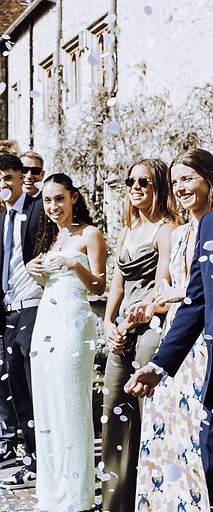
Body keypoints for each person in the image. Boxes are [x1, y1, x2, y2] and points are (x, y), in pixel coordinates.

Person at [127, 149, 213, 510]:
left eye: (188, 178)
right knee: (177, 438)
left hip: (199, 349)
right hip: (178, 342)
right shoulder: (185, 232)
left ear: (209, 180)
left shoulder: (209, 224)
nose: (180, 187)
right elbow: (191, 296)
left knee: (199, 438)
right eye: (175, 181)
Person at [24, 174, 106, 511]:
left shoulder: (90, 234)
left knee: (72, 403)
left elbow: (99, 287)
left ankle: (77, 495)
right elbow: (50, 287)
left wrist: (75, 264)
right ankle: (52, 490)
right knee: (47, 403)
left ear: (73, 198)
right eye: (47, 201)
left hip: (74, 323)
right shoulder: (51, 237)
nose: (53, 206)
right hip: (47, 320)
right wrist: (37, 274)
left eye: (59, 199)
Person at [101, 158, 178, 512]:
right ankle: (115, 504)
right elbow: (115, 287)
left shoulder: (167, 229)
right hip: (122, 330)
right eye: (130, 180)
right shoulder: (127, 231)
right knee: (113, 418)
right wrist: (108, 324)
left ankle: (153, 499)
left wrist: (131, 323)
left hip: (151, 329)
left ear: (158, 185)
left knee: (147, 419)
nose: (135, 187)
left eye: (144, 181)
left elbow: (161, 289)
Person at [0, 154, 44, 488]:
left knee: (34, 390)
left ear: (22, 179)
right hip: (7, 312)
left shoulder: (39, 209)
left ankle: (40, 460)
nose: (2, 185)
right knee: (13, 388)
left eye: (7, 178)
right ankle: (29, 459)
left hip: (34, 307)